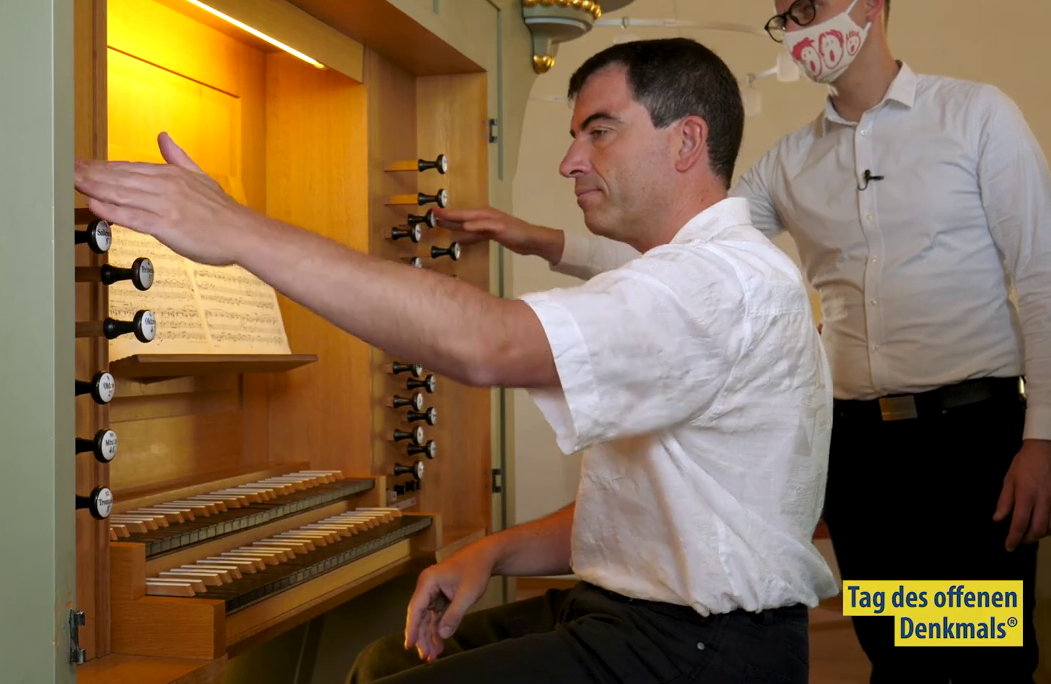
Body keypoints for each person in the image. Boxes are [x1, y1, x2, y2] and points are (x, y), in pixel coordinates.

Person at [74, 37, 839, 683]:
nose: (571, 161)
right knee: (384, 661)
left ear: (686, 141)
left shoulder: (717, 284)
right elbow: (658, 514)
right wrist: (492, 550)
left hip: (698, 652)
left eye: (599, 131)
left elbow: (488, 344)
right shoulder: (697, 274)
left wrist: (237, 231)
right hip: (640, 618)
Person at [433, 0, 1051, 681]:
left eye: (808, 8)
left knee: (979, 648)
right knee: (896, 647)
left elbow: (1046, 282)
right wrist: (543, 241)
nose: (796, 31)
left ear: (869, 1)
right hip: (859, 447)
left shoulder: (976, 116)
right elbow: (685, 243)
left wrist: (1046, 440)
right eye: (785, 18)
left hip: (969, 435)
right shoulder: (790, 162)